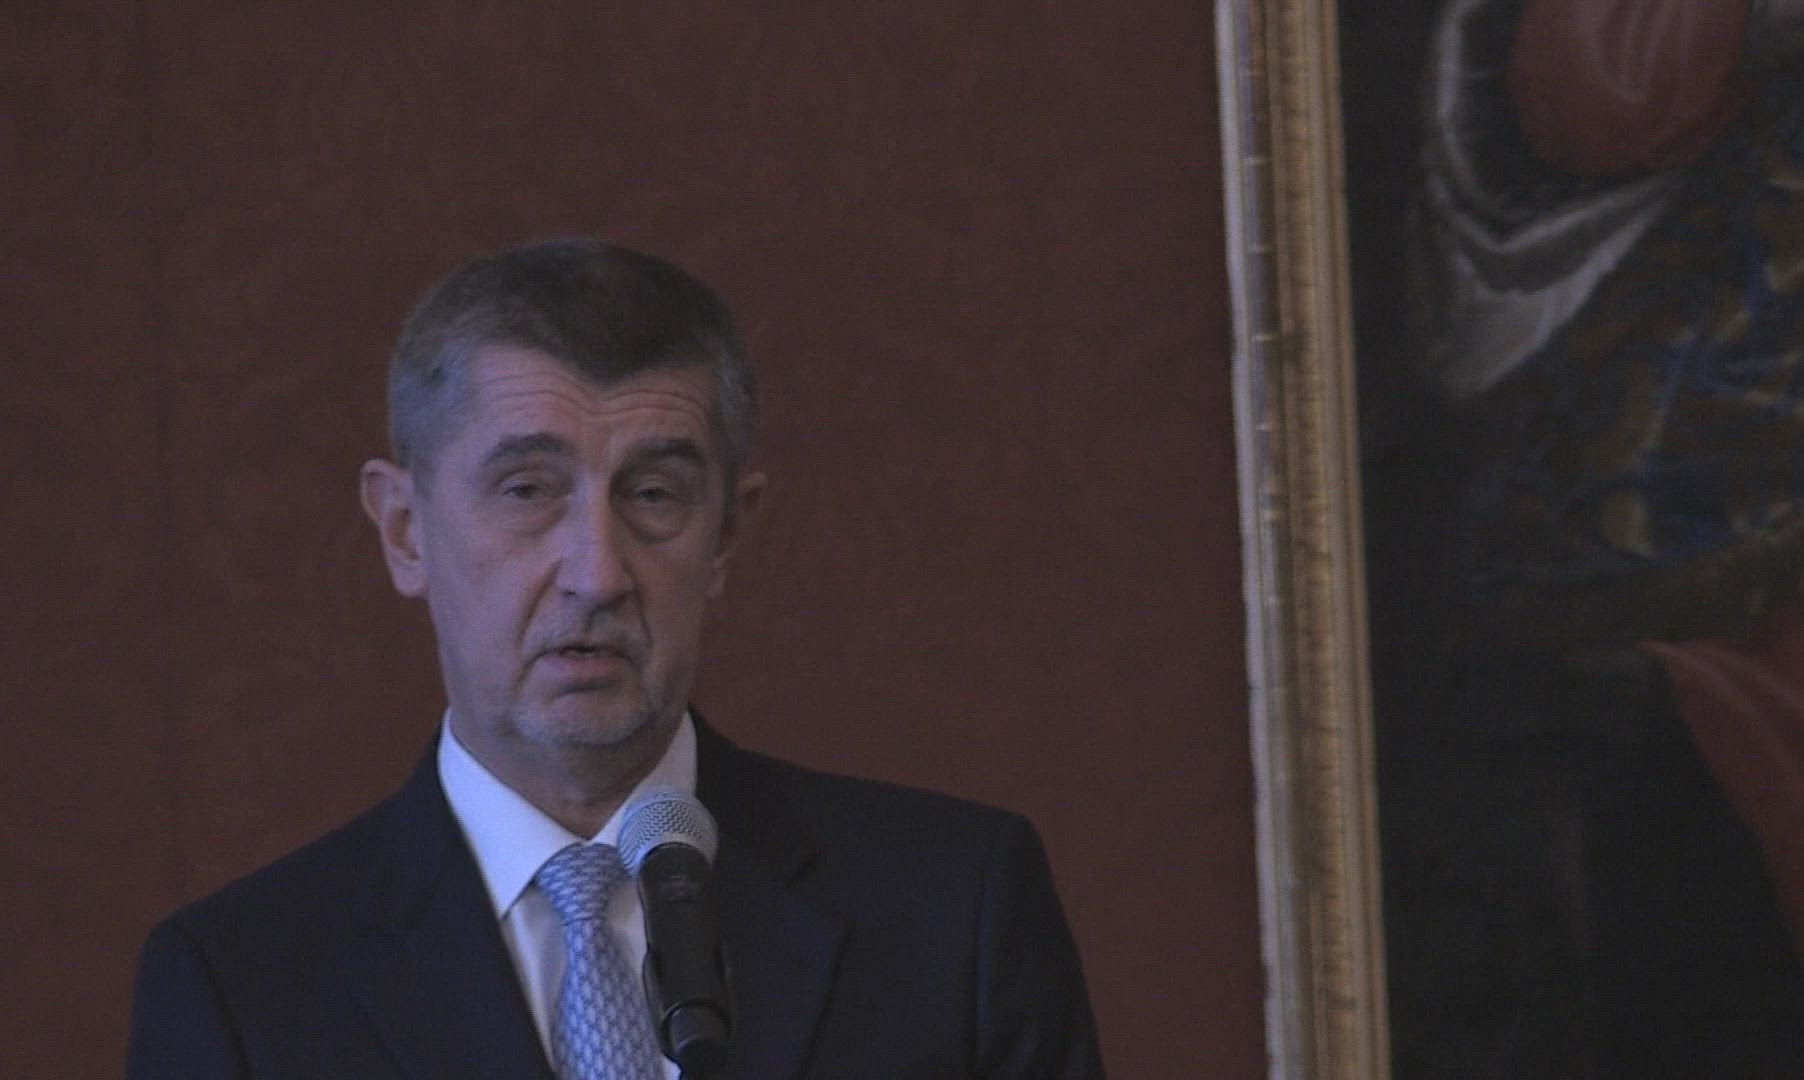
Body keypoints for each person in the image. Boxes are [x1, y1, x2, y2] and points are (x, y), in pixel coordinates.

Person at [125, 238, 1104, 1079]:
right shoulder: (239, 987)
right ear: (403, 530)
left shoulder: (955, 915)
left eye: (653, 495)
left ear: (726, 536)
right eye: (527, 490)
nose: (597, 574)